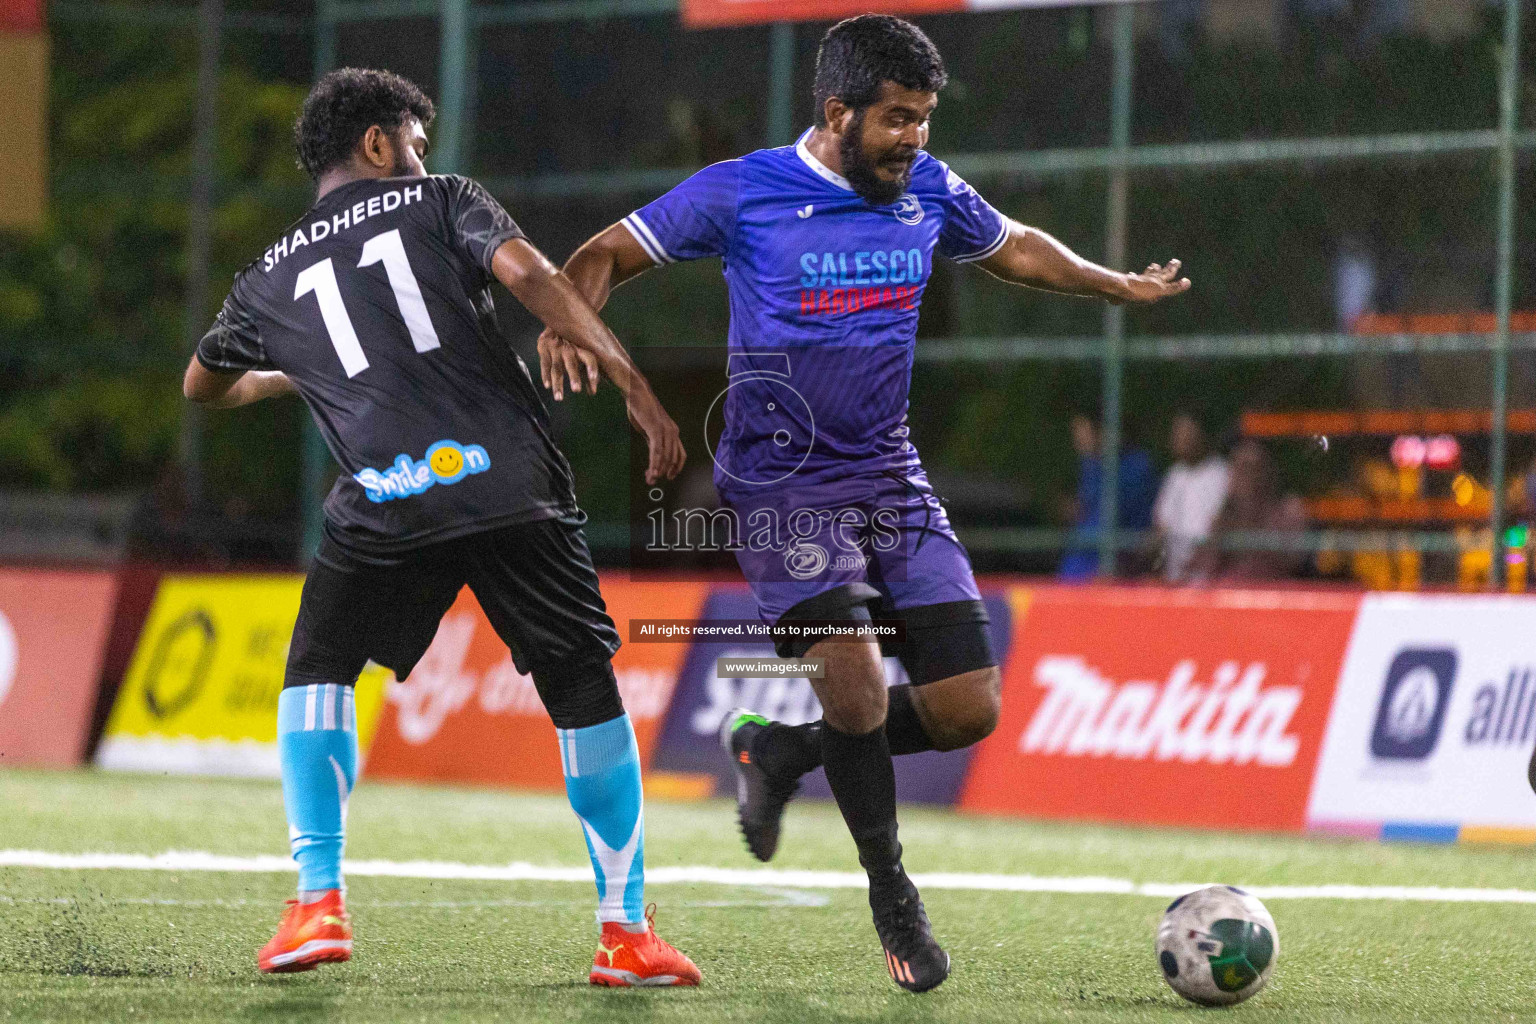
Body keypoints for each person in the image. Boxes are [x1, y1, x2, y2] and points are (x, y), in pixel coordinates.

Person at [536, 16, 1189, 992]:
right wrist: (574, 326)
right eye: (895, 120)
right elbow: (598, 257)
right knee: (857, 679)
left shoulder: (926, 186)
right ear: (837, 112)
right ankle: (893, 894)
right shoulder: (745, 189)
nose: (914, 139)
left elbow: (1014, 248)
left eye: (923, 120)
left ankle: (783, 747)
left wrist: (1111, 285)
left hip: (890, 473)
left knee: (971, 707)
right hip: (780, 481)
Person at [181, 68, 698, 987]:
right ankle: (625, 933)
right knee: (581, 680)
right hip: (507, 481)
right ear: (378, 145)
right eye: (415, 142)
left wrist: (293, 374)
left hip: (387, 494)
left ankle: (316, 904)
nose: (424, 158)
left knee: (316, 671)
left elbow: (201, 383)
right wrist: (631, 381)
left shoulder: (264, 277)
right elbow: (531, 275)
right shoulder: (441, 200)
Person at [1186, 439, 1307, 582]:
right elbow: (1199, 565)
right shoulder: (1226, 514)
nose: (1243, 478)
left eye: (1250, 469)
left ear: (1266, 474)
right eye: (1237, 469)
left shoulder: (1286, 511)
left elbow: (1293, 560)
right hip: (1224, 595)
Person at [1058, 414, 1157, 580]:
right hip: (1078, 565)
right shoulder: (1090, 466)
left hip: (1113, 566)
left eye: (1082, 431)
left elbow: (1129, 522)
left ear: (1101, 432)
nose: (1077, 438)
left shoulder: (1135, 467)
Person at [1152, 412, 1231, 582]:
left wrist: (1194, 565)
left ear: (1202, 435)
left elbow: (1218, 525)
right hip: (1175, 577)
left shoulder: (1221, 473)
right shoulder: (1174, 474)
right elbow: (1161, 525)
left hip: (1208, 578)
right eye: (1177, 432)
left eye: (1187, 432)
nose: (1181, 438)